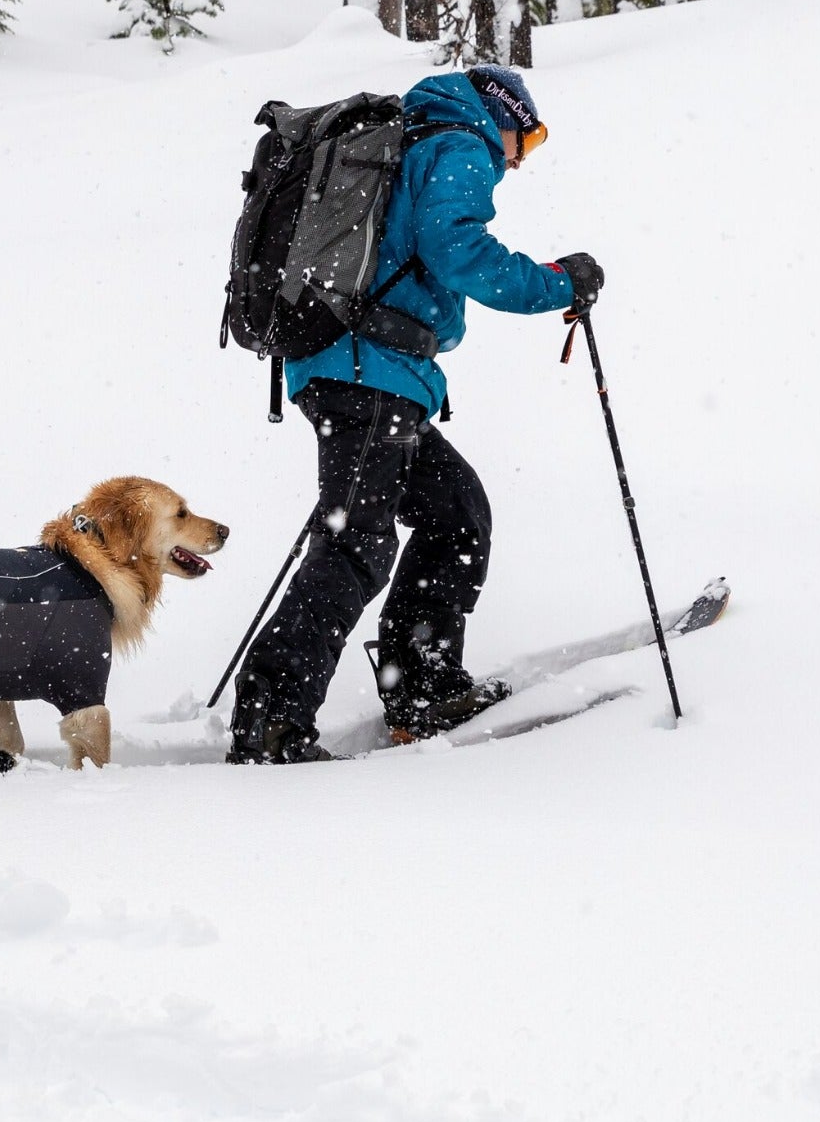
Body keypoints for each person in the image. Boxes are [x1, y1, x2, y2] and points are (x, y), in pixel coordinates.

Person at [227, 64, 603, 764]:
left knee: (455, 514)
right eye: (533, 137)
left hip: (357, 368)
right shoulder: (461, 143)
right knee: (356, 546)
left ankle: (423, 686)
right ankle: (270, 723)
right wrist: (556, 284)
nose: (523, 157)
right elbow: (456, 250)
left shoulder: (413, 138)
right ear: (506, 116)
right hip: (369, 371)